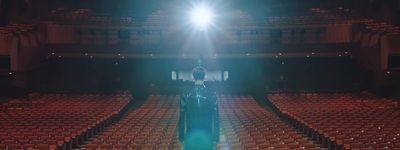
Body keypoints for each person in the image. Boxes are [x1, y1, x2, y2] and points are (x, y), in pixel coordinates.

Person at [178, 66, 220, 150]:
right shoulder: (212, 95)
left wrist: (181, 138)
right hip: (207, 136)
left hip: (190, 136)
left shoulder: (185, 94)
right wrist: (216, 138)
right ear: (205, 77)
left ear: (193, 77)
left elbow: (181, 119)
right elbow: (216, 119)